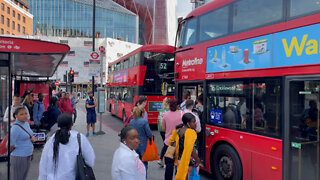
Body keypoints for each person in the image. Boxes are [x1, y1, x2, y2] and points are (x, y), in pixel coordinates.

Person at [38, 113, 95, 180]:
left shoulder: (50, 141)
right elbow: (90, 161)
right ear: (72, 124)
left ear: (58, 125)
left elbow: (43, 166)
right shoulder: (80, 138)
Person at [10, 107, 37, 180]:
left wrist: (30, 152)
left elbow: (28, 136)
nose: (25, 116)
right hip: (19, 156)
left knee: (24, 177)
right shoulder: (15, 128)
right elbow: (9, 144)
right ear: (16, 116)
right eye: (21, 114)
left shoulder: (26, 124)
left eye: (26, 113)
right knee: (18, 177)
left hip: (27, 154)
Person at [175, 113, 201, 180]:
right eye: (193, 122)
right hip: (188, 161)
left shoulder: (178, 130)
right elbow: (191, 149)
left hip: (179, 160)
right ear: (188, 123)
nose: (195, 124)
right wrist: (197, 159)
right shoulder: (191, 133)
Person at [162, 99, 183, 180]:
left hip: (169, 143)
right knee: (179, 164)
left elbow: (163, 129)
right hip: (179, 143)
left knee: (169, 165)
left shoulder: (165, 115)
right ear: (177, 106)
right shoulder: (181, 114)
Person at [129, 106, 153, 173]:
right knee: (144, 162)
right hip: (143, 144)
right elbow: (149, 133)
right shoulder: (144, 121)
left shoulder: (132, 121)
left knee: (136, 162)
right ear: (142, 113)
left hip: (134, 144)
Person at [157, 98, 171, 167]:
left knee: (166, 144)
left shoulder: (161, 111)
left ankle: (162, 159)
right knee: (167, 145)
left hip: (160, 129)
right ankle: (162, 159)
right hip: (166, 129)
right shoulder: (169, 111)